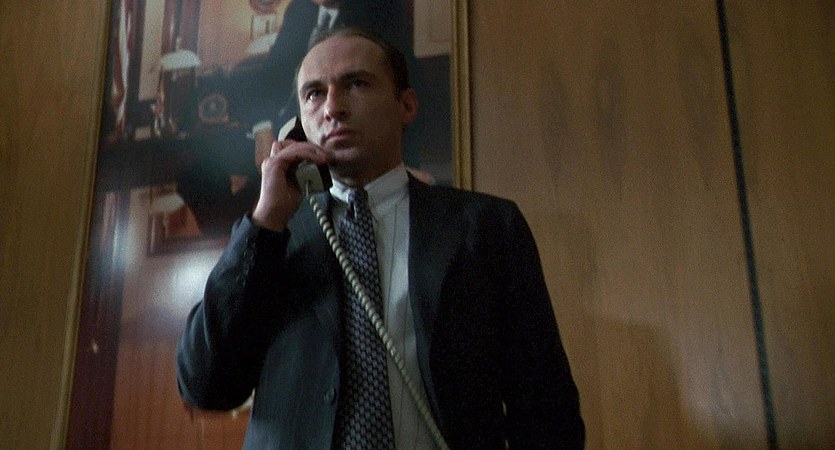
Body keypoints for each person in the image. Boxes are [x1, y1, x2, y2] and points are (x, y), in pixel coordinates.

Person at [176, 27, 585, 449]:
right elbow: (204, 385)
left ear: (406, 105)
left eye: (356, 84)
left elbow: (545, 405)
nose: (332, 108)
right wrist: (264, 223)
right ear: (297, 123)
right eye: (314, 94)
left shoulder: (485, 226)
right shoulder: (271, 236)